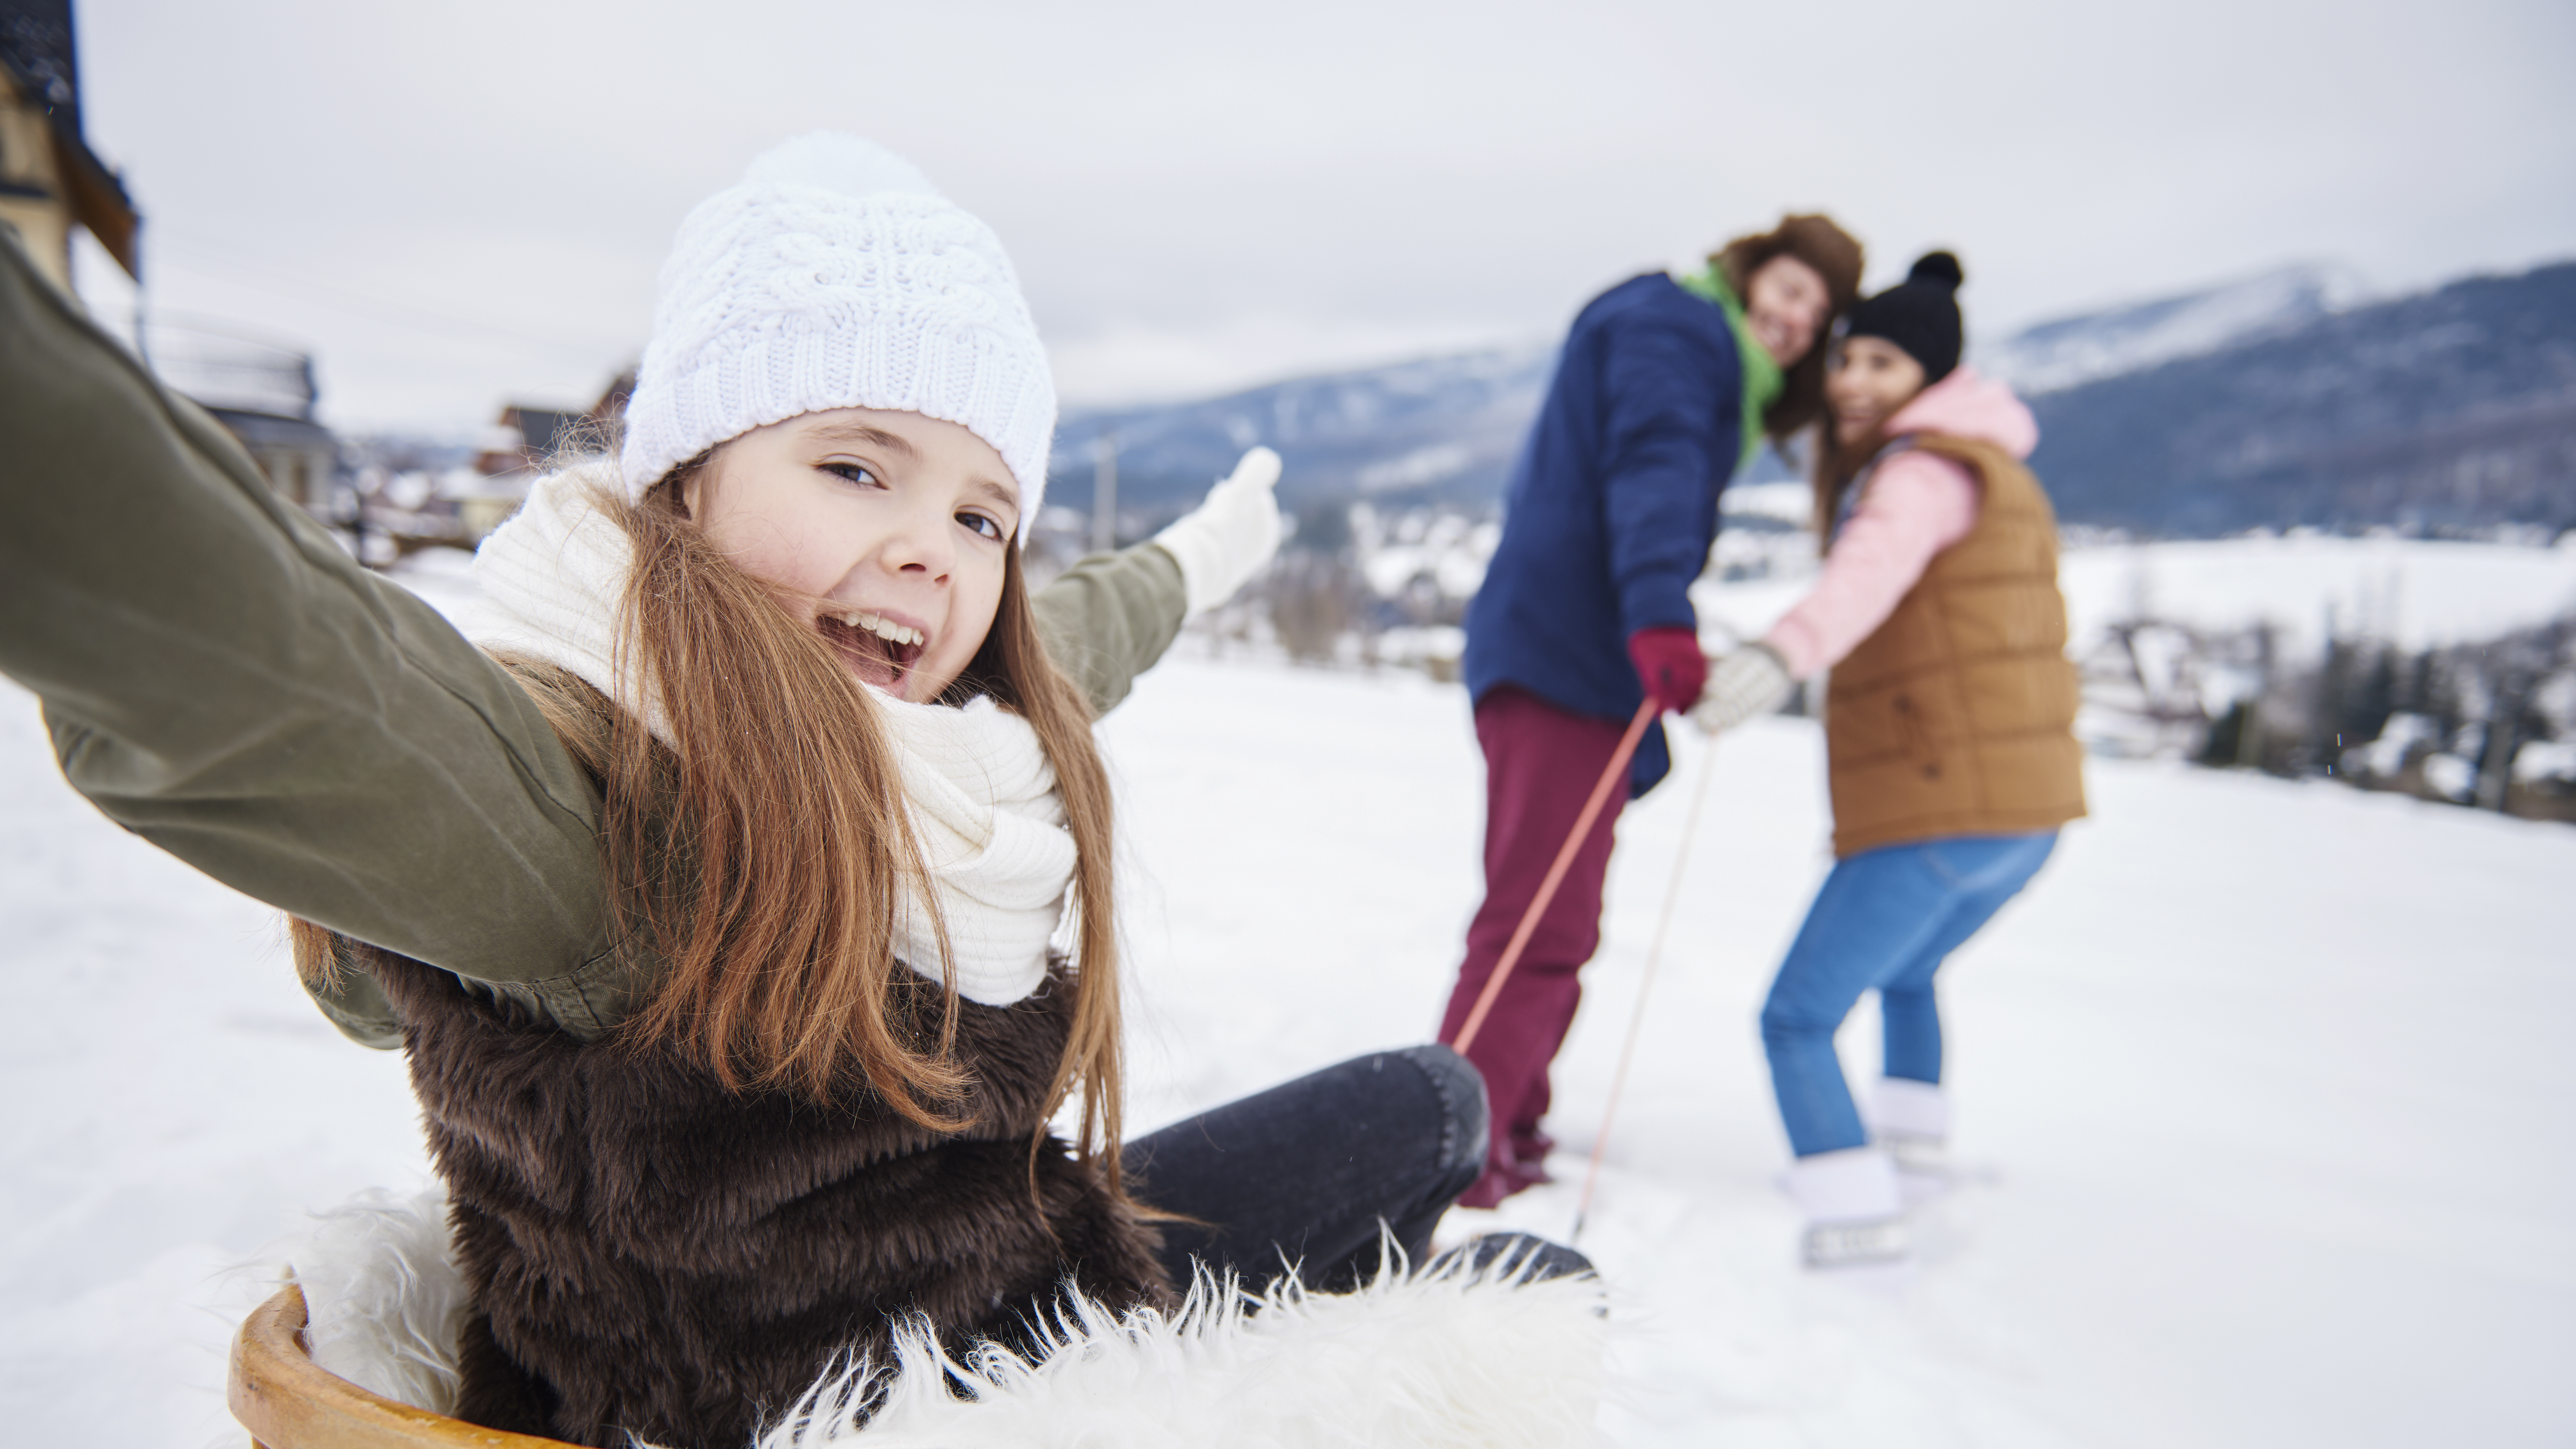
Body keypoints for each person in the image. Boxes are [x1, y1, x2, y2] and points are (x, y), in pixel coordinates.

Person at [0, 136, 1586, 1448]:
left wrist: (1210, 550)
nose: (932, 550)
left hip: (1011, 1271)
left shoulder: (924, 739)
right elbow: (279, 675)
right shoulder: (586, 812)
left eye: (982, 515)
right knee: (1530, 1275)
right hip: (891, 1408)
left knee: (1429, 1101)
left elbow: (1076, 637)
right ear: (683, 483)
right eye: (855, 467)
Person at [1441, 215, 1865, 1207]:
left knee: (1562, 911)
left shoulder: (1684, 339)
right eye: (1792, 289)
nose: (1798, 319)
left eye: (1818, 310)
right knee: (1536, 912)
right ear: (1752, 269)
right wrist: (1662, 623)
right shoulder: (1678, 334)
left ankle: (1508, 1111)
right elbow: (1655, 472)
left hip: (1570, 661)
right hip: (1563, 655)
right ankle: (1454, 1140)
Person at [1693, 251, 2088, 1273]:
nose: (1855, 380)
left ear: (1930, 372)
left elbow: (1866, 577)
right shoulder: (1994, 463)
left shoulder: (1920, 471)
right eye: (1847, 359)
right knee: (1910, 972)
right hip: (2025, 818)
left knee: (1796, 1017)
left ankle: (1852, 1208)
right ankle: (1911, 1159)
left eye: (1882, 361)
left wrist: (1780, 652)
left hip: (1940, 808)